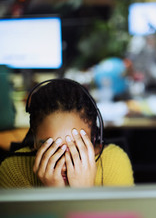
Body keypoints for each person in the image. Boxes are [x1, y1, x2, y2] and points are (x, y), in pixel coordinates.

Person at [0, 79, 134, 188]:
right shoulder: (13, 170)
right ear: (35, 141)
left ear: (94, 141)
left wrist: (83, 194)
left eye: (76, 148)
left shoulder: (114, 162)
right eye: (53, 149)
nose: (64, 166)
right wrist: (55, 194)